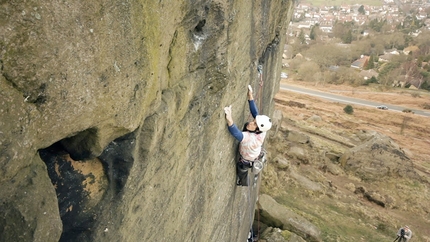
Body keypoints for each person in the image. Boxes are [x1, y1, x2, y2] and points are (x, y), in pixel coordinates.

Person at [224, 85, 272, 186]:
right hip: (254, 152)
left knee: (241, 169)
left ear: (257, 130)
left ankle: (242, 181)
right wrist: (250, 96)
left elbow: (236, 133)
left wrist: (229, 117)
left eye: (254, 124)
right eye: (254, 121)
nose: (252, 123)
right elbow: (255, 113)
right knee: (247, 125)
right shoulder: (263, 130)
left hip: (247, 159)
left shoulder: (249, 139)